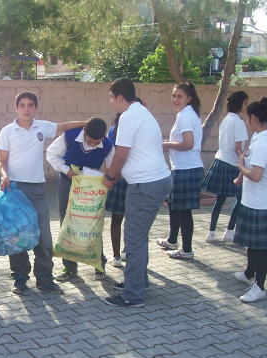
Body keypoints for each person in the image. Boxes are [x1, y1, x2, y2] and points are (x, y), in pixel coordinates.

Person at [0, 91, 85, 295]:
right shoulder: (7, 131)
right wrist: (4, 176)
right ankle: (20, 279)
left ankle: (45, 279)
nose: (26, 109)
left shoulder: (42, 127)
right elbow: (2, 162)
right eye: (22, 105)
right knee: (17, 237)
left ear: (36, 108)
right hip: (15, 189)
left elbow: (63, 126)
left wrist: (87, 122)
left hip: (37, 190)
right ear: (16, 107)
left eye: (30, 105)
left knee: (44, 238)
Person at [102, 78, 173, 308]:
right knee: (138, 236)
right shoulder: (141, 112)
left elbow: (121, 156)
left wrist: (109, 179)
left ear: (119, 97)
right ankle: (139, 281)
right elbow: (133, 157)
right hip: (153, 182)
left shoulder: (130, 116)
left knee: (133, 239)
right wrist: (115, 178)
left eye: (112, 98)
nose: (112, 102)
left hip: (145, 186)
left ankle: (133, 295)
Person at [46, 117, 115, 280]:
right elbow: (51, 154)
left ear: (103, 137)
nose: (92, 145)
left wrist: (106, 179)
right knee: (67, 222)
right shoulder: (70, 136)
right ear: (84, 132)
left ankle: (99, 265)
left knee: (93, 223)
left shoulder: (108, 145)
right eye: (90, 141)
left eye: (96, 142)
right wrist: (66, 170)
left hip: (92, 188)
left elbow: (113, 167)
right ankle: (69, 268)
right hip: (67, 181)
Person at [232, 97, 267, 303]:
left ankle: (259, 286)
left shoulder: (263, 142)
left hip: (261, 202)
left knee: (260, 248)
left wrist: (241, 166)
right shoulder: (264, 138)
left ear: (253, 117)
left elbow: (257, 175)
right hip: (256, 200)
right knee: (254, 245)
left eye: (247, 118)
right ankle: (249, 273)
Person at [158, 83, 204, 260]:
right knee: (175, 207)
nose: (175, 99)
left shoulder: (185, 116)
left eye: (180, 96)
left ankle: (186, 250)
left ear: (189, 98)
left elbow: (188, 144)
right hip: (185, 168)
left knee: (183, 211)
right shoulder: (187, 114)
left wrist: (166, 144)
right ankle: (172, 240)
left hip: (187, 168)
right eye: (174, 95)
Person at [202, 91, 249, 243]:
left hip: (220, 161)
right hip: (232, 164)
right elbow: (238, 148)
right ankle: (229, 231)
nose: (246, 106)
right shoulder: (239, 122)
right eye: (245, 103)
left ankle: (212, 232)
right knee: (241, 198)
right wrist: (243, 162)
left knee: (220, 199)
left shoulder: (225, 120)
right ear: (239, 104)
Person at [105, 113, 127, 267]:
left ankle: (121, 254)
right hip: (125, 178)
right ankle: (120, 254)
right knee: (122, 220)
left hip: (122, 178)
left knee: (121, 220)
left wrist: (110, 177)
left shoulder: (114, 131)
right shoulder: (113, 131)